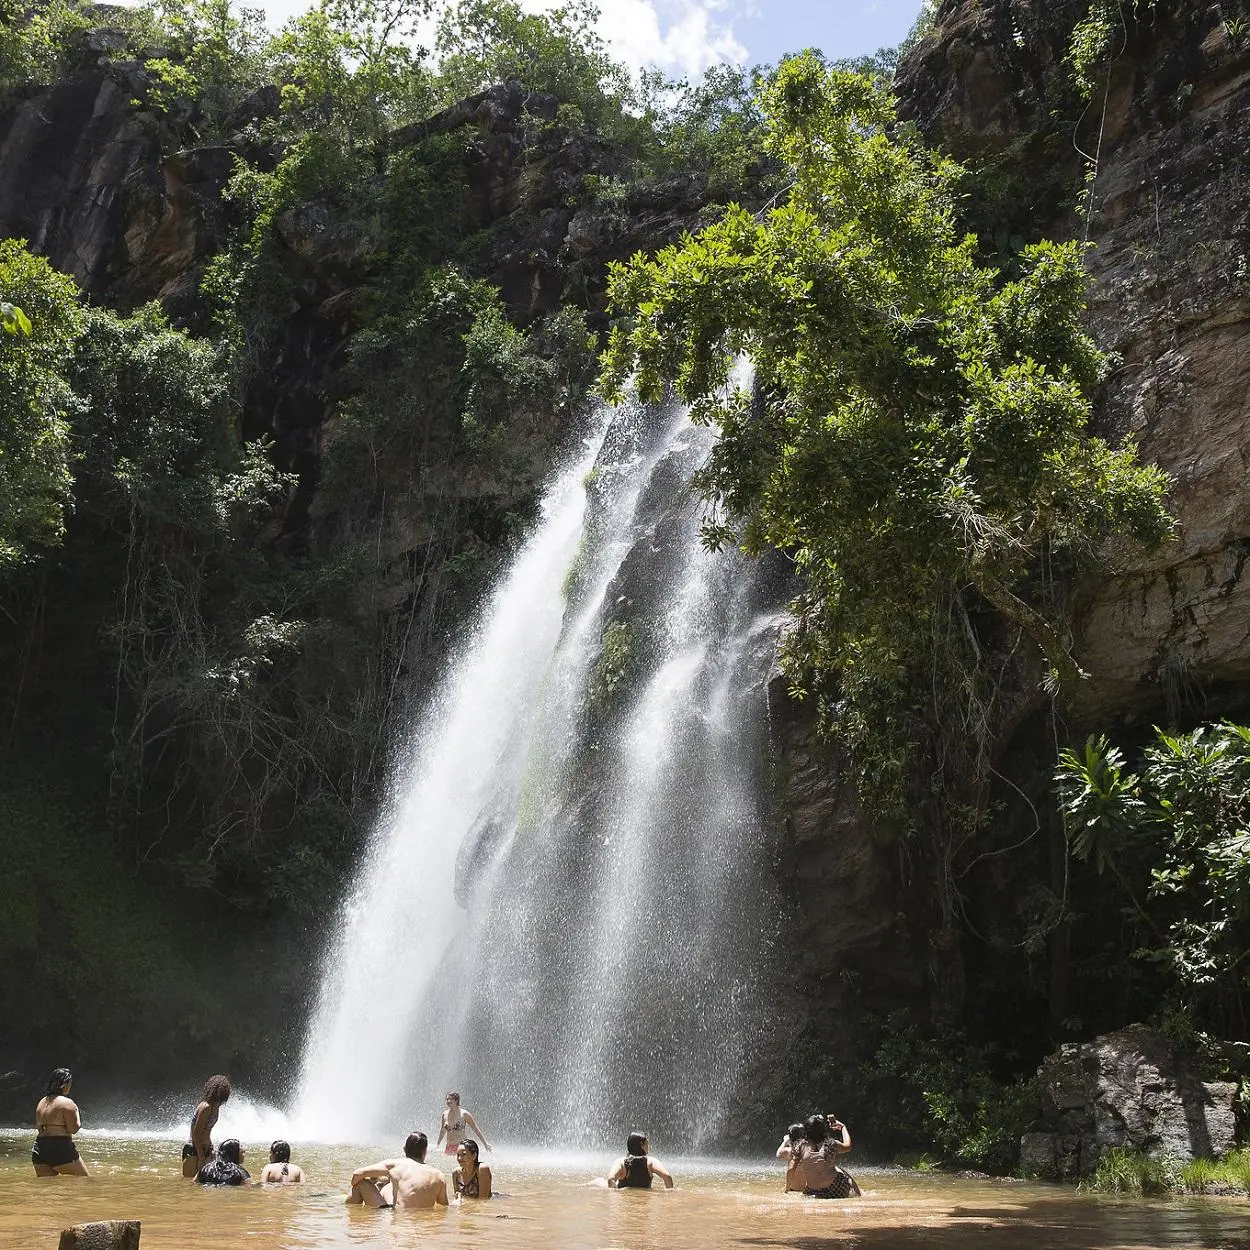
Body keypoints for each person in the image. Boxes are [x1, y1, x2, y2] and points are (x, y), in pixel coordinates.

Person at [345, 1131, 449, 1209]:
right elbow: (443, 1207)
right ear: (425, 1151)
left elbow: (357, 1174)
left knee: (361, 1183)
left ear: (404, 1149)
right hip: (422, 1226)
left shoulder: (396, 1165)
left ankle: (348, 1215)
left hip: (397, 1219)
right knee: (389, 1186)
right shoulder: (439, 1175)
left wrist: (353, 1187)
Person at [32, 1068, 87, 1177]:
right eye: (70, 1083)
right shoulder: (67, 1103)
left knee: (47, 1188)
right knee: (85, 1182)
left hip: (39, 1149)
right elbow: (73, 1129)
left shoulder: (42, 1102)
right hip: (60, 1147)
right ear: (65, 1084)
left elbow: (38, 1127)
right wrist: (78, 1115)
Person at [793, 1113, 860, 1199]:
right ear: (823, 1130)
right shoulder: (831, 1144)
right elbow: (848, 1146)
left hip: (812, 1191)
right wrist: (843, 1127)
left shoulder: (801, 1146)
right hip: (835, 1190)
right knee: (840, 1170)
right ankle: (859, 1195)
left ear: (806, 1131)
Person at [184, 1074, 231, 1178]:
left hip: (206, 1149)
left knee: (205, 1186)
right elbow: (196, 1134)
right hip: (194, 1149)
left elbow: (207, 1130)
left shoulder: (216, 1107)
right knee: (190, 1184)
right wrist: (201, 1157)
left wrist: (210, 1146)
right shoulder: (206, 1107)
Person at [607, 1132, 674, 1189]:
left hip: (626, 1200)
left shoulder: (621, 1162)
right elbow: (667, 1176)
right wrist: (669, 1195)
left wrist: (615, 1199)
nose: (648, 1146)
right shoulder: (651, 1162)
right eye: (646, 1143)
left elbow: (611, 1179)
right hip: (644, 1201)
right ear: (641, 1145)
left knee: (598, 1181)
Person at [776, 1122, 806, 1192]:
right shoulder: (809, 1150)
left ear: (790, 1137)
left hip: (793, 1188)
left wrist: (785, 1141)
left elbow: (778, 1155)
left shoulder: (789, 1151)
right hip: (807, 1189)